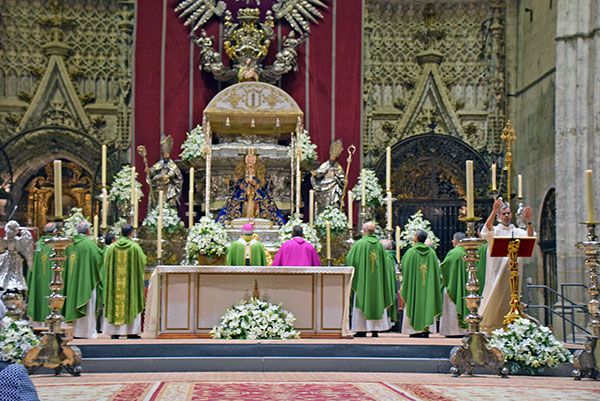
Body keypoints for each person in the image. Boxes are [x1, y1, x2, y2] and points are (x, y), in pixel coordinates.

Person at [479, 198, 534, 331]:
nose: (507, 216)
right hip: (497, 273)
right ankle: (491, 326)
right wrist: (493, 211)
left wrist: (529, 222)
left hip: (513, 273)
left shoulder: (517, 231)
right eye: (503, 214)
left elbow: (530, 237)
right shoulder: (496, 230)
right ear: (499, 217)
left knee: (512, 298)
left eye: (509, 213)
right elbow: (485, 232)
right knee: (494, 298)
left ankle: (511, 325)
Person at [346, 222, 396, 338]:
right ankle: (375, 330)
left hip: (362, 283)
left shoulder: (359, 244)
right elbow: (386, 265)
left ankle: (361, 329)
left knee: (362, 299)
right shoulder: (379, 246)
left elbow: (350, 260)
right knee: (376, 300)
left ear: (364, 230)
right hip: (377, 283)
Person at [102, 224, 146, 339]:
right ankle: (131, 332)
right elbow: (143, 261)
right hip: (130, 284)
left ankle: (115, 332)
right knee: (130, 300)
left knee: (115, 302)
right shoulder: (134, 248)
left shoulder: (112, 247)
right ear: (131, 233)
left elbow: (106, 264)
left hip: (115, 285)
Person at [63, 221, 103, 338]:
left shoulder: (69, 244)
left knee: (72, 299)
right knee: (88, 304)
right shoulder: (89, 244)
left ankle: (73, 332)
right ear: (88, 231)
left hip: (71, 282)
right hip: (86, 282)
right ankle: (86, 332)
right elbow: (99, 259)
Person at [401, 229, 442, 338]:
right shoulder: (432, 253)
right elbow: (437, 272)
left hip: (414, 288)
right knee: (428, 301)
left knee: (413, 301)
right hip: (428, 287)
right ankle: (426, 329)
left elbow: (404, 268)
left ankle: (414, 330)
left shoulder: (411, 252)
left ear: (416, 238)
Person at [439, 232, 468, 337]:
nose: (452, 241)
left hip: (452, 286)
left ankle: (452, 331)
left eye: (453, 239)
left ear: (457, 241)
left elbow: (444, 267)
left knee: (451, 307)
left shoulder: (453, 253)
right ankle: (464, 330)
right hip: (467, 287)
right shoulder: (470, 252)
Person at [26, 222, 55, 324]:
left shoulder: (37, 245)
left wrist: (30, 279)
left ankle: (37, 324)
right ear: (54, 232)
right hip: (54, 280)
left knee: (38, 294)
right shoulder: (56, 246)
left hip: (38, 280)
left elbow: (30, 266)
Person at [146, 135, 183, 208]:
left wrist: (169, 175)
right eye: (164, 154)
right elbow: (152, 173)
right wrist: (149, 171)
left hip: (169, 190)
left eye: (167, 153)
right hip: (158, 189)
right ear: (162, 154)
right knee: (157, 204)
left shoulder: (172, 165)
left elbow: (177, 175)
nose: (166, 155)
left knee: (170, 204)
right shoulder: (159, 164)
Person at [310, 140, 345, 214]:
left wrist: (341, 180)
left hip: (334, 190)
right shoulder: (325, 165)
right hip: (323, 190)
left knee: (334, 205)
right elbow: (318, 173)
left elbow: (342, 179)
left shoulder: (338, 167)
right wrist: (316, 174)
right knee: (324, 208)